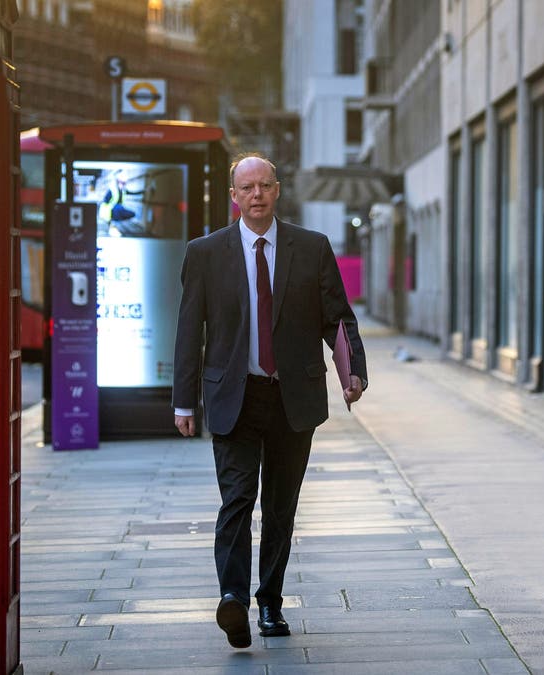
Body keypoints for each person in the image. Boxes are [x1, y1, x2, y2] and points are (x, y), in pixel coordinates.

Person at [172, 153, 368, 648]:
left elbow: (337, 319)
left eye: (264, 185)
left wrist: (353, 372)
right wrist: (183, 402)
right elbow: (188, 330)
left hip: (292, 397)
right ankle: (233, 598)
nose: (256, 195)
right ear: (234, 197)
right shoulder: (205, 253)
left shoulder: (312, 247)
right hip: (232, 396)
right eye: (247, 188)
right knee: (237, 500)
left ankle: (271, 604)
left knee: (280, 508)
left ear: (277, 190)